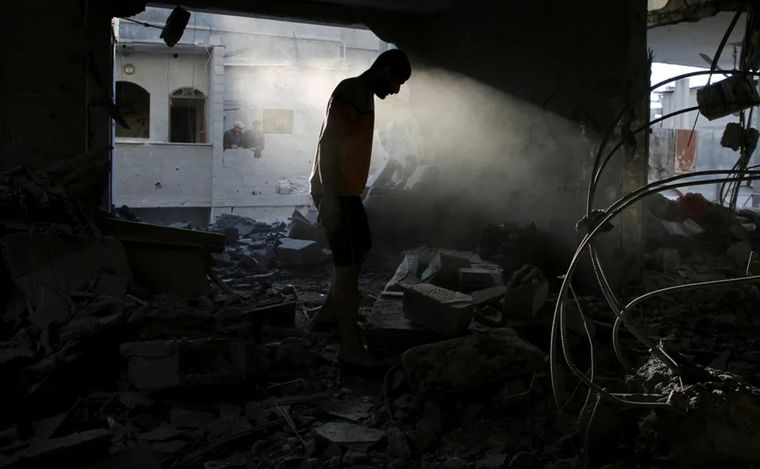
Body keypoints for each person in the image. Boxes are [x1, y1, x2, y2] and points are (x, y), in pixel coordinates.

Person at [309, 49, 412, 367]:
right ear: (384, 71)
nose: (395, 91)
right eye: (396, 82)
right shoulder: (353, 91)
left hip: (346, 193)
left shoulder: (361, 94)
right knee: (349, 272)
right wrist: (328, 197)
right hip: (337, 192)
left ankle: (329, 311)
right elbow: (329, 142)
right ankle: (350, 349)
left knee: (359, 249)